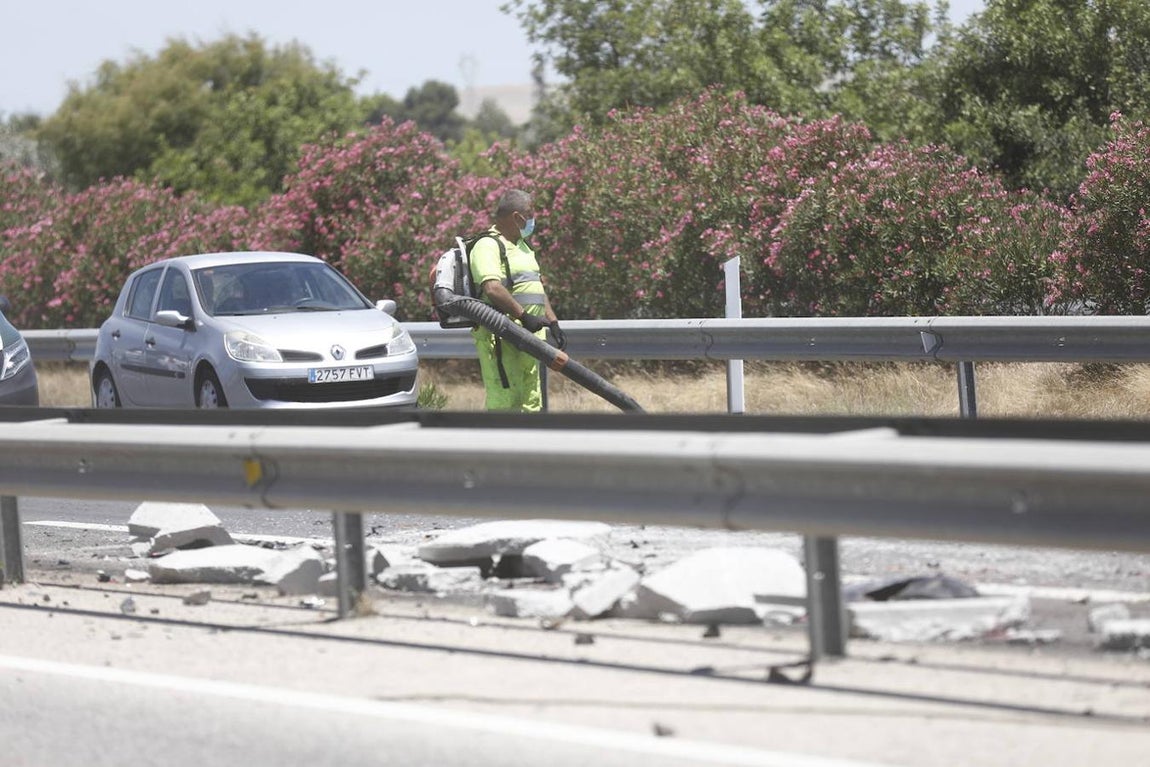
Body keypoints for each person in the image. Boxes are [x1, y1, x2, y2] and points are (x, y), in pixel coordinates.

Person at [469, 189, 566, 412]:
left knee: (531, 398)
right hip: (502, 336)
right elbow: (492, 287)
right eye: (530, 214)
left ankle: (528, 444)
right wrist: (524, 316)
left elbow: (535, 286)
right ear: (516, 217)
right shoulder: (488, 245)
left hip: (531, 337)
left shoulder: (523, 247)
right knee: (505, 399)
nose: (533, 220)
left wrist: (553, 322)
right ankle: (499, 445)